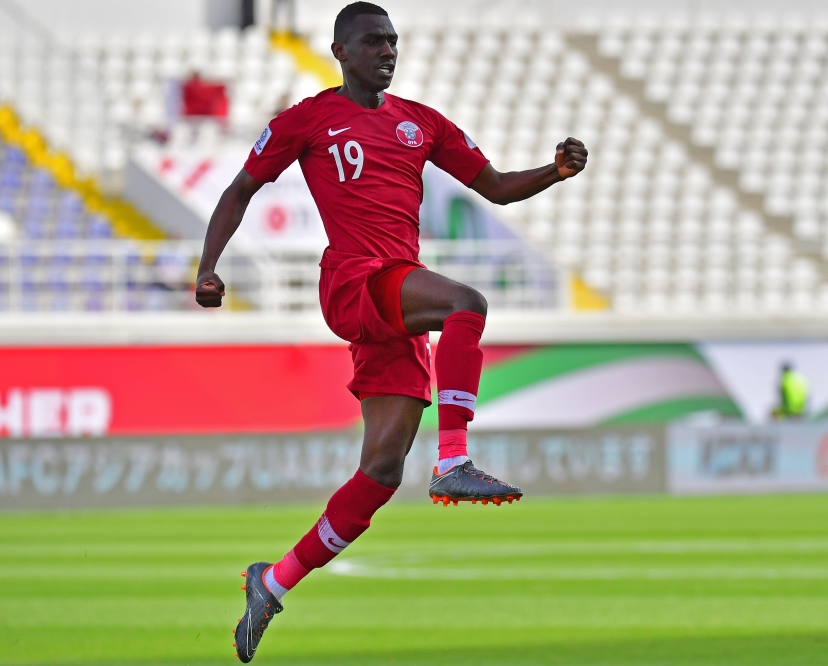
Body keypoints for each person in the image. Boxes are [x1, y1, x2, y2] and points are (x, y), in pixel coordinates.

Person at [195, 3, 587, 661]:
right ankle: (454, 459)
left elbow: (495, 188)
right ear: (340, 51)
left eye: (393, 41)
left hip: (393, 301)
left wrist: (556, 171)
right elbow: (240, 190)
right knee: (466, 305)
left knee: (379, 471)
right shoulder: (307, 120)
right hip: (355, 280)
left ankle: (273, 581)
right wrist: (208, 268)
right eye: (374, 40)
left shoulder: (421, 123)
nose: (388, 50)